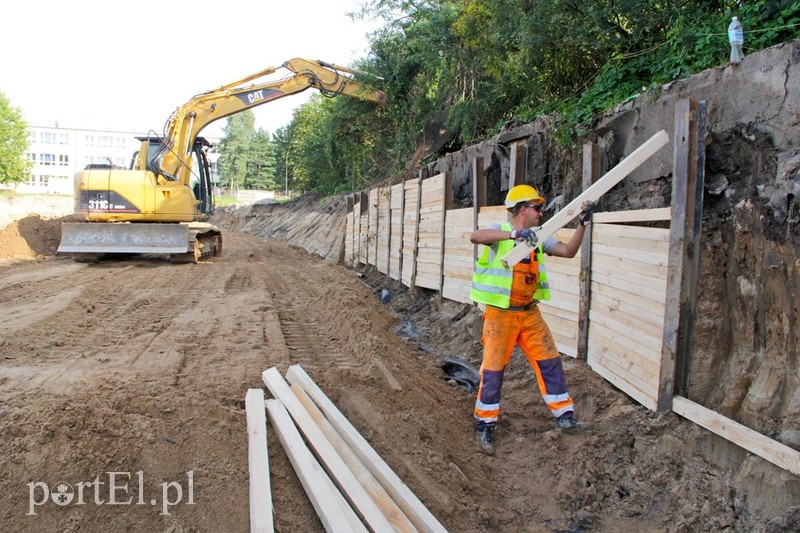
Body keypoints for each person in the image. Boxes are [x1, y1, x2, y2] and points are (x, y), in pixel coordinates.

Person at [469, 184, 593, 455]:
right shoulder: (499, 231)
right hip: (500, 314)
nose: (541, 212)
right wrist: (514, 234)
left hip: (529, 313)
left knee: (550, 361)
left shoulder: (539, 236)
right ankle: (485, 424)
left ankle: (565, 417)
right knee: (493, 370)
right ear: (523, 209)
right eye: (537, 207)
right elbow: (475, 236)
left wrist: (583, 225)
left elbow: (568, 251)